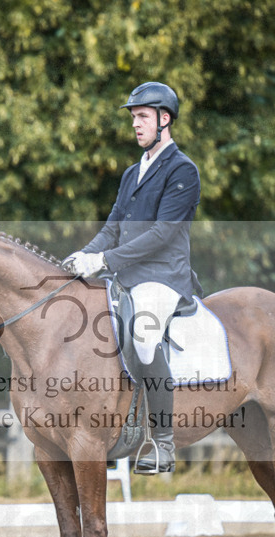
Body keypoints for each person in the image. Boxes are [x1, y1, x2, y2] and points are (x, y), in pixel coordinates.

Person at [63, 81, 201, 474]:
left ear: (164, 119)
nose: (136, 125)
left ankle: (162, 444)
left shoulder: (182, 170)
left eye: (142, 117)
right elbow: (113, 226)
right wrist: (85, 255)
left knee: (143, 337)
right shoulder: (131, 173)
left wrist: (105, 259)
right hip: (126, 276)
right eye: (134, 118)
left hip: (163, 278)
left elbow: (163, 235)